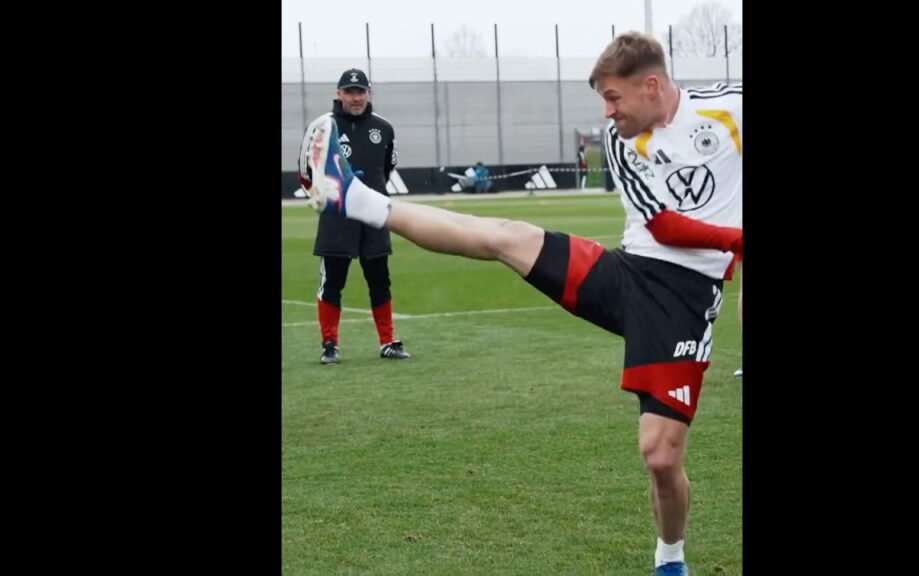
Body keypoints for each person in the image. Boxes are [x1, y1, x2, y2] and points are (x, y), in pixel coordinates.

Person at [298, 33, 740, 575]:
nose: (608, 112)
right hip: (626, 274)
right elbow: (663, 227)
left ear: (651, 85)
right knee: (506, 236)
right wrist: (738, 240)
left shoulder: (727, 107)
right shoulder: (623, 142)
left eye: (613, 98)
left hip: (684, 303)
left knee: (660, 456)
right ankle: (355, 198)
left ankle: (670, 560)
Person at [302, 68, 411, 364]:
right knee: (333, 282)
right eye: (349, 92)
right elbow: (308, 170)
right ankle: (330, 345)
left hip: (374, 214)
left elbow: (386, 169)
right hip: (337, 217)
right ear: (338, 94)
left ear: (369, 94)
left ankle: (387, 342)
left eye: (361, 91)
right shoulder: (324, 126)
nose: (356, 97)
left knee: (380, 280)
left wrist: (368, 194)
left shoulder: (384, 128)